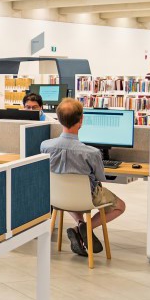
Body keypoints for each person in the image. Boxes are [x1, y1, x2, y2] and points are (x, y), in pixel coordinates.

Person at [39, 98, 126, 258]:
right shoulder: (92, 153)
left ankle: (79, 224)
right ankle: (85, 227)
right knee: (120, 205)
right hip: (86, 197)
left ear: (58, 119)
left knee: (72, 192)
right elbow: (100, 178)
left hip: (57, 198)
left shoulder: (45, 146)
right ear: (81, 120)